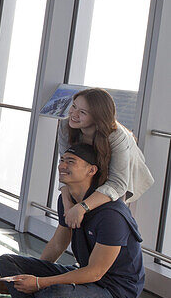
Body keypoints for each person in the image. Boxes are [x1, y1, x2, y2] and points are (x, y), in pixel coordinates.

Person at [0, 143, 145, 298]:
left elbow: (95, 273)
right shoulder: (68, 201)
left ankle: (24, 295)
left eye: (71, 161)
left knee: (54, 294)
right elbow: (58, 243)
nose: (62, 166)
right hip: (83, 273)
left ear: (91, 170)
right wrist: (34, 273)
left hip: (114, 292)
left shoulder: (112, 215)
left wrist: (39, 283)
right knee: (6, 261)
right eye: (62, 160)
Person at [56, 88, 154, 228]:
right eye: (74, 106)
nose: (73, 114)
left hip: (120, 175)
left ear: (97, 117)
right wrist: (67, 204)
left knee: (112, 216)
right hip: (91, 171)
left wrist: (82, 207)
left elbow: (118, 184)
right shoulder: (65, 126)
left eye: (82, 112)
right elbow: (65, 169)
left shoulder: (116, 135)